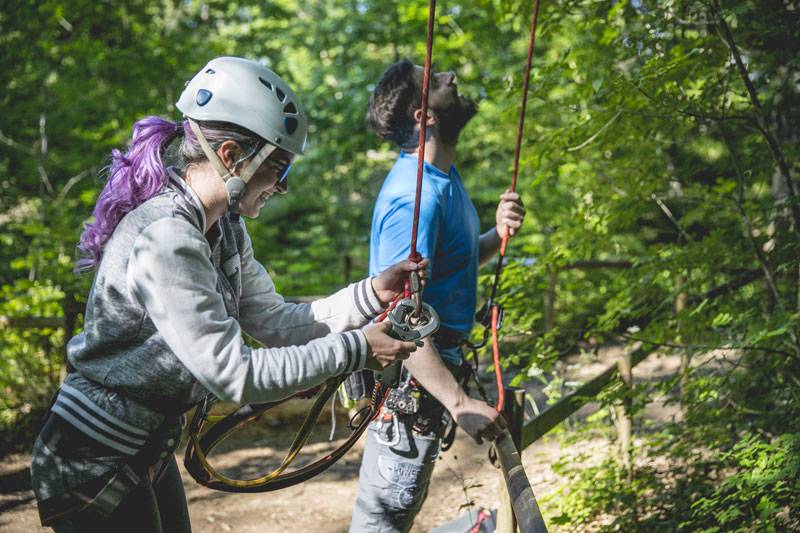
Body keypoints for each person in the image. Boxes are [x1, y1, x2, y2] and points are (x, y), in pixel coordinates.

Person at [30, 56, 425, 533]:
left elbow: (276, 321)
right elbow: (234, 375)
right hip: (90, 458)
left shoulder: (225, 229)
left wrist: (371, 293)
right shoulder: (167, 237)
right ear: (234, 156)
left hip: (144, 447)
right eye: (279, 168)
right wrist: (358, 348)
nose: (281, 187)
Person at [349, 59, 526, 532]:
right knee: (380, 526)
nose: (451, 77)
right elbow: (398, 320)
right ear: (421, 115)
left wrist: (495, 233)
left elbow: (451, 264)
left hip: (428, 382)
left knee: (396, 516)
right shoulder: (415, 197)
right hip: (411, 389)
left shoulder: (443, 181)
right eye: (436, 80)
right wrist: (459, 403)